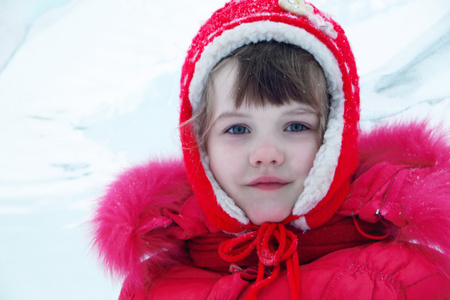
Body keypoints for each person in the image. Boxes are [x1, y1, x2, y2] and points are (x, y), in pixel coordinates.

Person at [91, 0, 450, 299]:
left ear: (333, 139)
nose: (266, 154)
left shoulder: (407, 281)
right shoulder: (153, 287)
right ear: (200, 146)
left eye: (295, 126)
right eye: (237, 129)